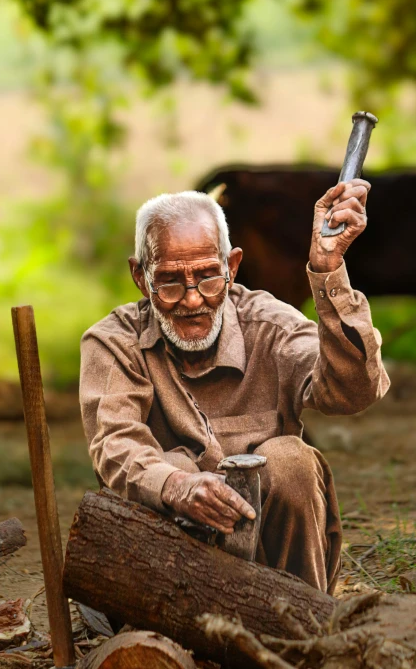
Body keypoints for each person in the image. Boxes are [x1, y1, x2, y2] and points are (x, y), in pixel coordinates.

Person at [79, 180, 389, 594]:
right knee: (176, 467)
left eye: (208, 277)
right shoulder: (113, 342)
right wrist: (176, 485)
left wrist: (328, 270)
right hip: (166, 581)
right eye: (170, 281)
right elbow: (116, 444)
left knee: (290, 459)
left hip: (281, 564)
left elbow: (350, 392)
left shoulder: (268, 323)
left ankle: (309, 628)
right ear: (140, 276)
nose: (192, 300)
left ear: (232, 266)